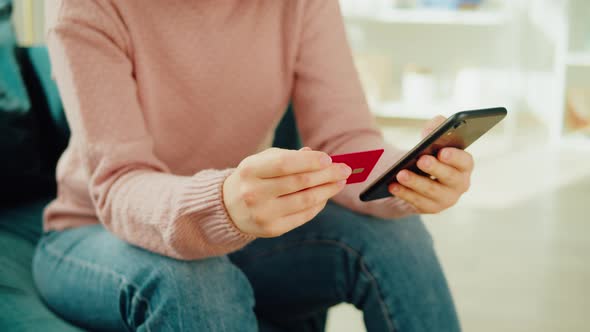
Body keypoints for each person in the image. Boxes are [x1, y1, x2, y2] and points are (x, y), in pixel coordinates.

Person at [33, 1, 473, 331]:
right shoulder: (86, 8)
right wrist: (221, 203)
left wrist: (405, 175)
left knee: (398, 236)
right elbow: (120, 184)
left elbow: (342, 144)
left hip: (239, 223)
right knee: (195, 282)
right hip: (93, 232)